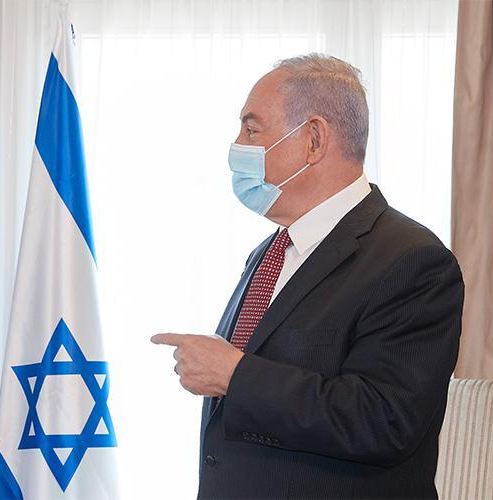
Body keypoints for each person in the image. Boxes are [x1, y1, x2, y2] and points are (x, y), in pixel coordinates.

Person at [152, 54, 464, 499]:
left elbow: (384, 420)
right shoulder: (269, 251)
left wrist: (235, 375)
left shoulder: (414, 260)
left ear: (313, 140)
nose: (237, 144)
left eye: (252, 130)